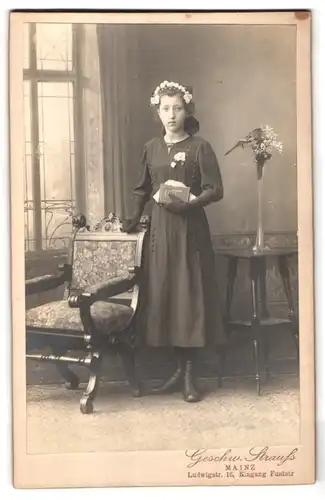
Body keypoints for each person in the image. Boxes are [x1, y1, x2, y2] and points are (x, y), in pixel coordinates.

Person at [123, 80, 226, 402]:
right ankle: (177, 371)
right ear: (157, 111)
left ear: (187, 110)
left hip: (189, 231)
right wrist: (132, 218)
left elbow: (216, 189)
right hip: (159, 232)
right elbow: (142, 188)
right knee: (166, 299)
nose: (171, 115)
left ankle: (190, 377)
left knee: (189, 299)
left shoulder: (200, 147)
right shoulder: (151, 147)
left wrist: (191, 203)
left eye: (177, 108)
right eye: (165, 108)